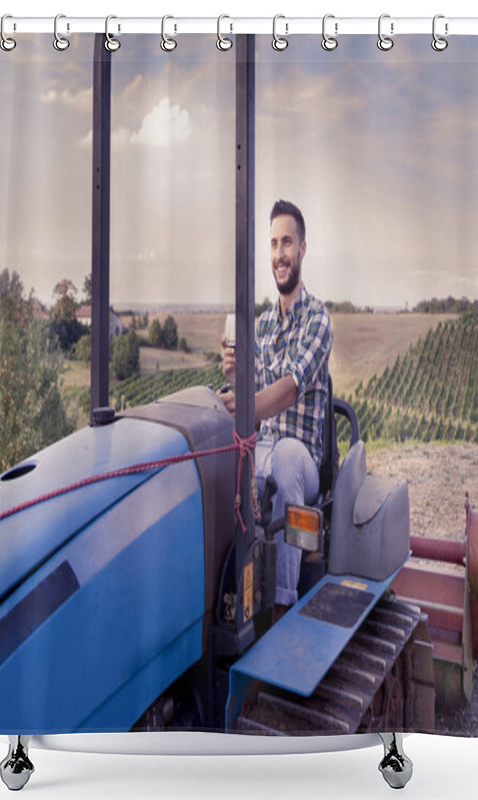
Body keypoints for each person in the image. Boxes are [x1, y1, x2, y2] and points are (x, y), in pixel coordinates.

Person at [218, 200, 332, 615]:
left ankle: (282, 602)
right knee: (220, 457)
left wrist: (244, 405)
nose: (279, 253)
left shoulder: (318, 320)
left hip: (300, 457)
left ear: (302, 249)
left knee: (282, 455)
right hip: (262, 446)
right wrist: (233, 379)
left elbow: (286, 391)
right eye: (273, 244)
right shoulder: (261, 325)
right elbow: (255, 389)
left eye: (287, 242)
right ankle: (228, 595)